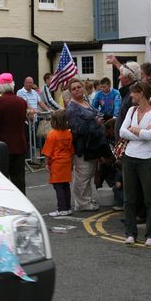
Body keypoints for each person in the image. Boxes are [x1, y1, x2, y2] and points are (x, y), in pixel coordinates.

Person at [119, 81, 151, 246]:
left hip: (147, 159)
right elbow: (123, 131)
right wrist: (140, 132)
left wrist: (135, 130)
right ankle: (130, 233)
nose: (131, 96)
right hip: (129, 157)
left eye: (133, 93)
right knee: (129, 198)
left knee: (150, 199)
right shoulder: (131, 110)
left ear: (142, 93)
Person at [65, 78, 106, 212]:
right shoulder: (71, 108)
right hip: (82, 146)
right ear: (70, 92)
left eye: (79, 87)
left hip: (93, 144)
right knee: (82, 175)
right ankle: (82, 203)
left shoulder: (86, 101)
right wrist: (96, 123)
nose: (77, 89)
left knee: (88, 175)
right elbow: (78, 129)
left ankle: (86, 200)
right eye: (74, 88)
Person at [0, 72, 28, 193]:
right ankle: (22, 201)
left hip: (3, 147)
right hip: (20, 145)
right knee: (19, 179)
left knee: (3, 179)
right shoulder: (21, 102)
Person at [41, 109, 74, 216]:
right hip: (67, 161)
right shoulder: (68, 134)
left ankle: (61, 208)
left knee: (58, 186)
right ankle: (67, 207)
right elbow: (71, 150)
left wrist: (46, 163)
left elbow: (48, 151)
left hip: (57, 163)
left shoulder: (52, 134)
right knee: (65, 185)